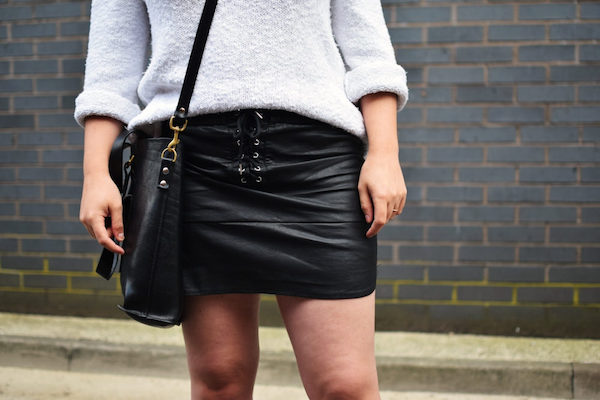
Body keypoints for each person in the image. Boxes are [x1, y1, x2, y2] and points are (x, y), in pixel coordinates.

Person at [76, 1, 409, 399]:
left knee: (345, 386)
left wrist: (385, 154)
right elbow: (110, 71)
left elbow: (371, 56)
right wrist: (96, 174)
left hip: (316, 168)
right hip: (196, 167)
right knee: (220, 380)